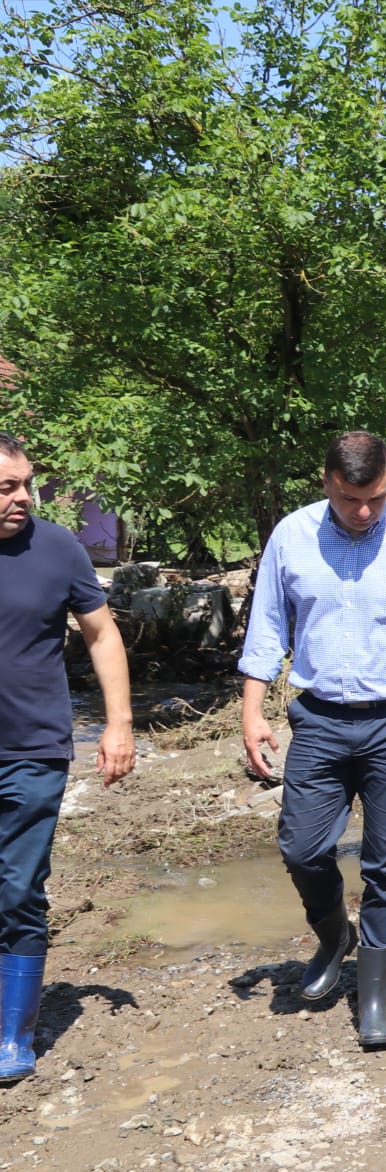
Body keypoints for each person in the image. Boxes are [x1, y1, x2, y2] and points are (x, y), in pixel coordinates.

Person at [240, 431, 386, 1049]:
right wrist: (253, 712)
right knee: (301, 847)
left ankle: (374, 995)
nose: (362, 512)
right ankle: (333, 935)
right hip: (318, 717)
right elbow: (266, 629)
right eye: (348, 499)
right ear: (326, 483)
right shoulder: (292, 535)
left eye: (373, 498)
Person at [0, 434, 135, 1082]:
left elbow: (102, 633)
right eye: (7, 487)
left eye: (26, 483)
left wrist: (119, 724)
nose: (23, 496)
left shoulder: (58, 548)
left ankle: (12, 1034)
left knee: (18, 888)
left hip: (34, 746)